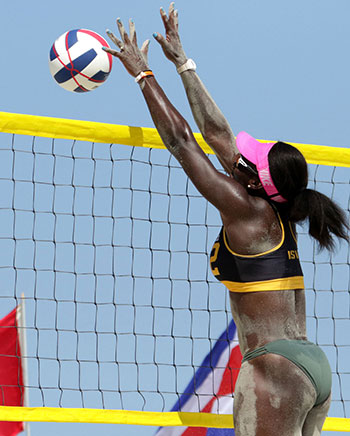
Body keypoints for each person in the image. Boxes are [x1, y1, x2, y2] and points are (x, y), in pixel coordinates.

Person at [104, 5, 348, 436]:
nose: (238, 158)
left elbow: (182, 142)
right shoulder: (279, 206)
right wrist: (184, 63)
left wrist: (143, 75)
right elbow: (217, 134)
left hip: (275, 366)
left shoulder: (245, 209)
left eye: (246, 162)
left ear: (253, 181)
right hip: (313, 367)